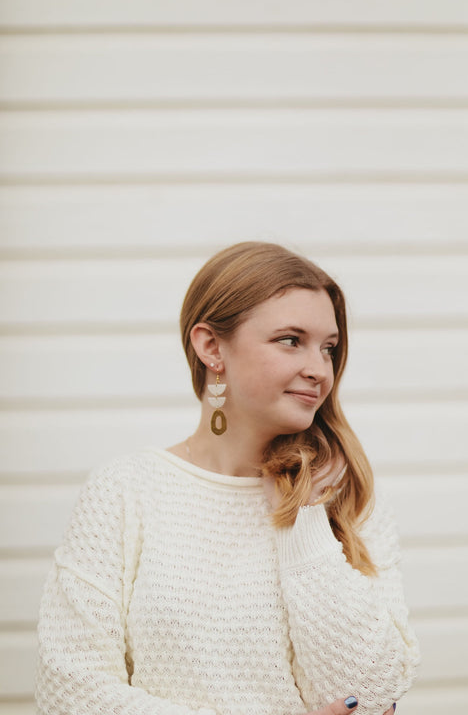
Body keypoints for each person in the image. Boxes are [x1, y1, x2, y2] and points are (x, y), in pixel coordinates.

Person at [36, 242, 419, 715]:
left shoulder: (346, 498)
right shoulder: (124, 491)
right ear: (211, 346)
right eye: (289, 340)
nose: (319, 369)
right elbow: (69, 689)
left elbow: (369, 696)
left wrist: (308, 523)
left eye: (329, 347)